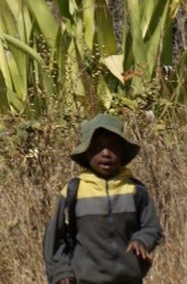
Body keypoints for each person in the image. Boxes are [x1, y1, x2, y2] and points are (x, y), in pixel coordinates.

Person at [42, 113, 163, 284]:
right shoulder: (74, 191)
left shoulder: (135, 190)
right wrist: (61, 272)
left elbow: (152, 227)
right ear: (86, 154)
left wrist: (142, 240)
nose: (106, 153)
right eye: (97, 148)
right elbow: (54, 238)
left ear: (122, 152)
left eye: (113, 147)